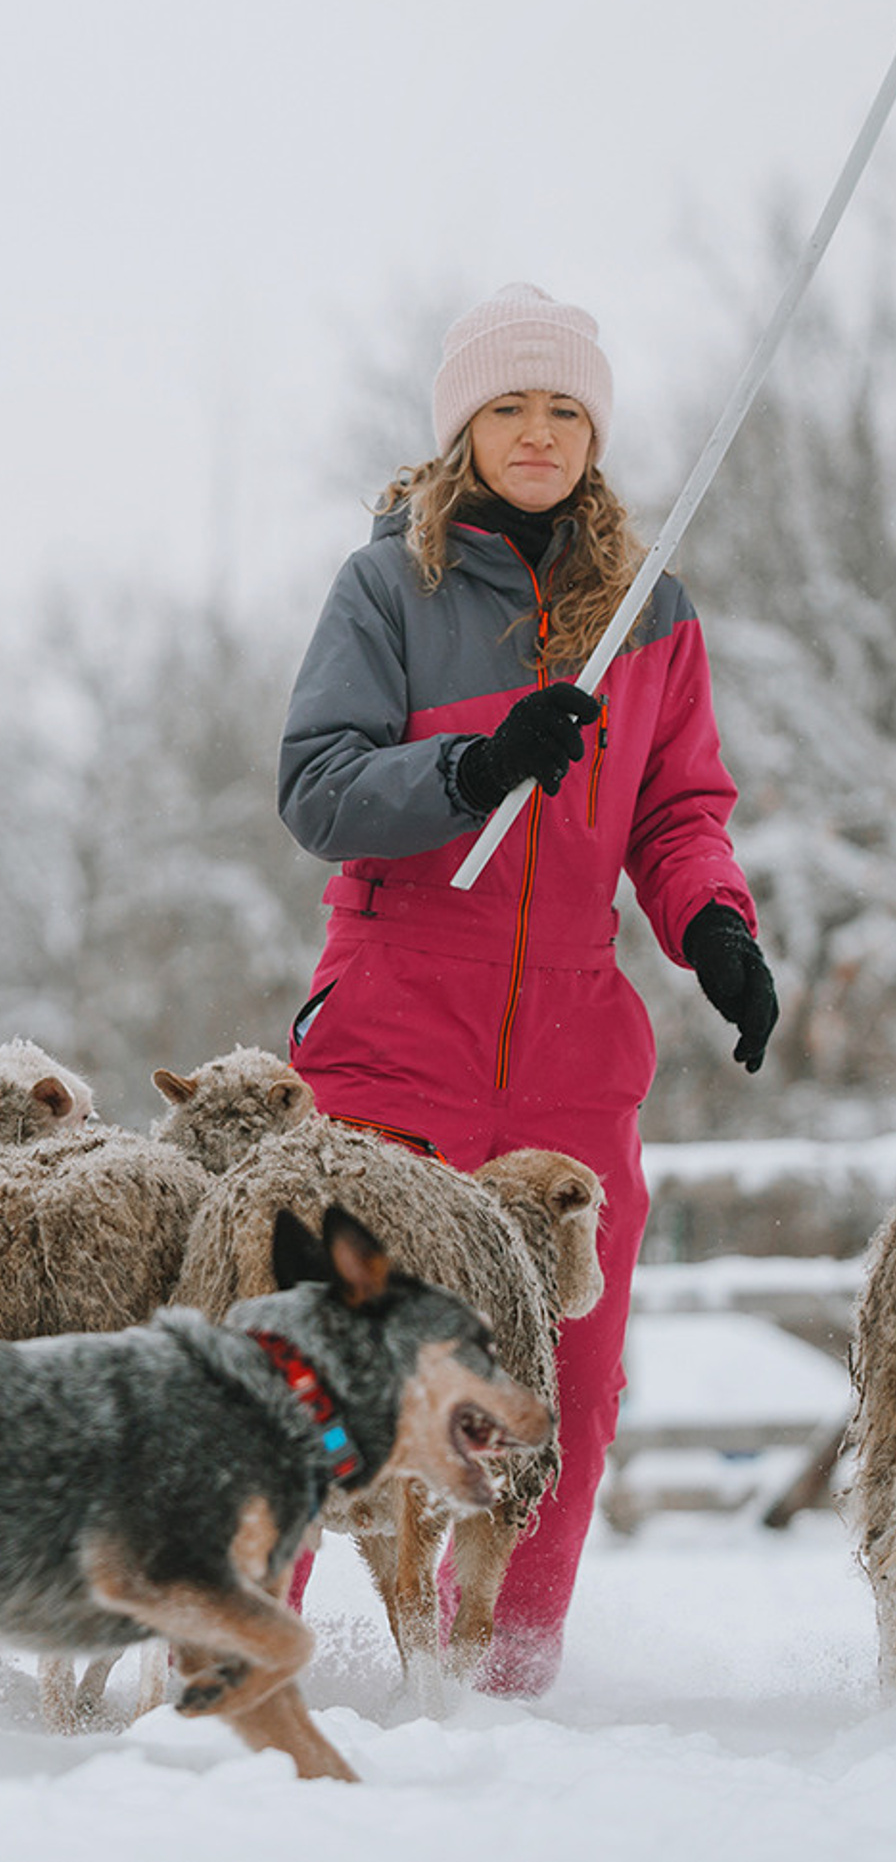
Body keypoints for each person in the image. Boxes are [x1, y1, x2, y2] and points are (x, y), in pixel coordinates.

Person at [276, 283, 778, 1695]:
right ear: (463, 429)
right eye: (510, 407)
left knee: (568, 1386)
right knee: (324, 1365)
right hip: (389, 1029)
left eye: (565, 409)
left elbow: (681, 813)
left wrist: (716, 930)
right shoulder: (389, 589)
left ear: (595, 432)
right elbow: (314, 790)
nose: (540, 432)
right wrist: (477, 763)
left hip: (570, 1048)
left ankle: (505, 1683)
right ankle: (239, 1653)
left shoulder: (652, 611)